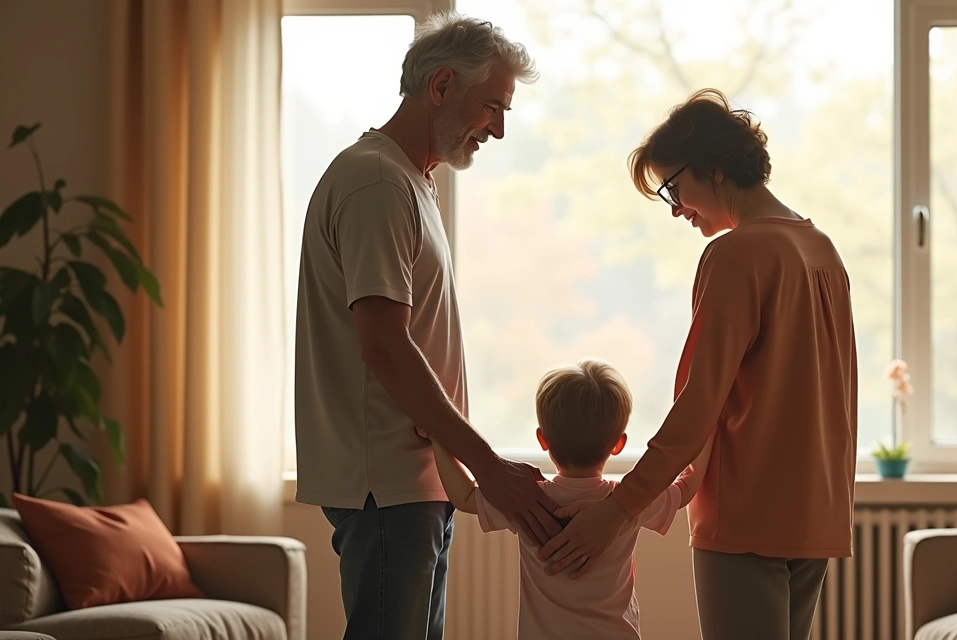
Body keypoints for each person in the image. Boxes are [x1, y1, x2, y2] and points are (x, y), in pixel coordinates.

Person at [537, 88, 860, 640]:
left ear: (713, 170)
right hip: (817, 512)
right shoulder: (823, 249)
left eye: (673, 187)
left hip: (746, 515)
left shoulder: (736, 254)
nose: (676, 207)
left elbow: (700, 403)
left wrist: (619, 511)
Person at [292, 12, 562, 640]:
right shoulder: (377, 181)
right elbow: (385, 345)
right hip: (386, 483)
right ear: (441, 86)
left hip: (413, 480)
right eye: (492, 106)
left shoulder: (411, 181)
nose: (498, 128)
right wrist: (489, 466)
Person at [422, 359, 714, 639]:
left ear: (542, 439)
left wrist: (438, 436)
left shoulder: (528, 501)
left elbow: (463, 497)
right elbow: (686, 488)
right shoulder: (626, 502)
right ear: (618, 444)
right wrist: (709, 428)